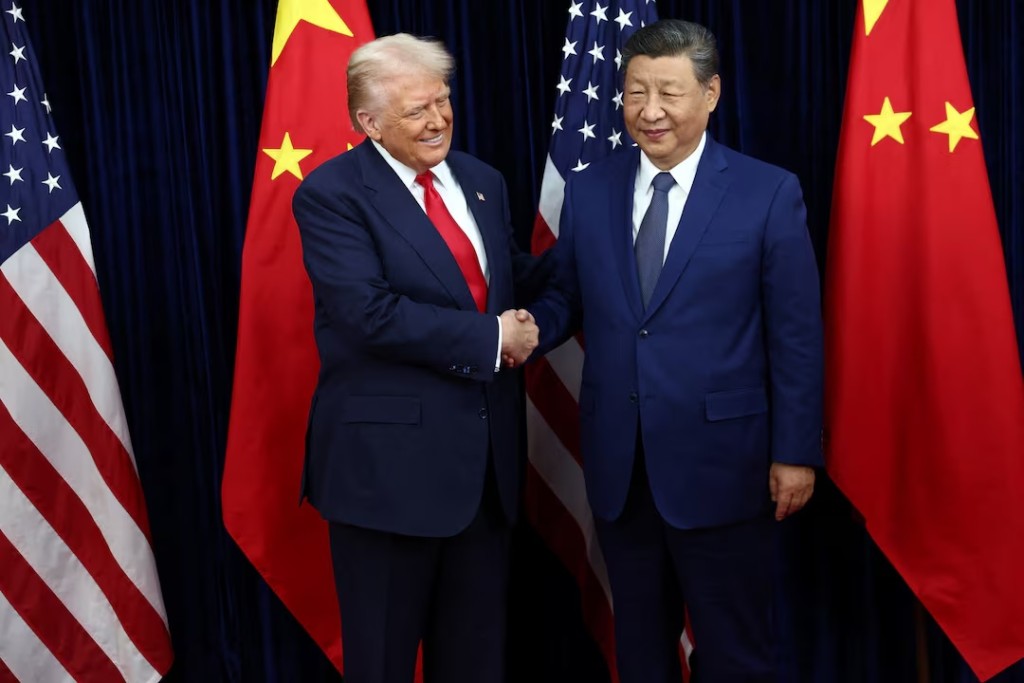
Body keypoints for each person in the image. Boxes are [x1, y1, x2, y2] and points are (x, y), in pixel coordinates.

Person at [527, 19, 823, 682]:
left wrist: (796, 451)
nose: (649, 111)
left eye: (668, 92)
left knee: (735, 650)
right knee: (639, 650)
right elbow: (568, 299)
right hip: (620, 466)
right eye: (635, 93)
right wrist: (516, 332)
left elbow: (796, 334)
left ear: (710, 94)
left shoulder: (767, 193)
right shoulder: (591, 188)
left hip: (725, 465)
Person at [292, 33, 545, 683]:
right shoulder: (332, 195)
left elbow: (509, 280)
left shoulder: (483, 181)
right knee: (381, 661)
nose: (437, 120)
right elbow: (367, 314)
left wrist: (590, 260)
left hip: (486, 475)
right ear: (369, 122)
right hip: (387, 478)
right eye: (416, 110)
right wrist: (495, 339)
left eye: (443, 101)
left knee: (476, 661)